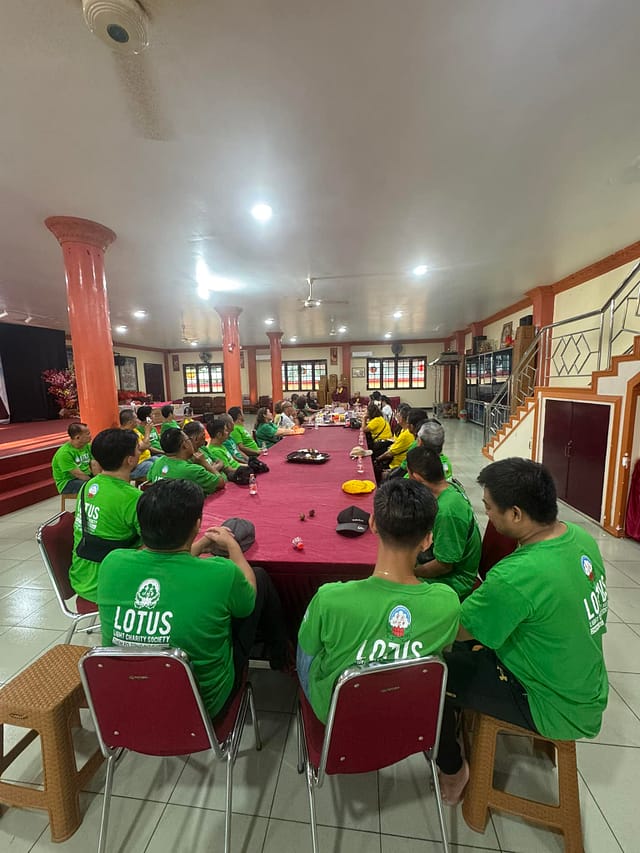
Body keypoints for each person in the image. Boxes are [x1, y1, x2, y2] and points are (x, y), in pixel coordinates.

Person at [436, 458, 609, 806]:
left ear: (516, 514)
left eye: (489, 508)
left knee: (432, 673)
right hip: (584, 685)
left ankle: (452, 768)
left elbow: (457, 630)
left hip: (549, 700)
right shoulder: (578, 537)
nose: (487, 515)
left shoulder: (518, 575)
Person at [97, 479, 290, 720]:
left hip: (127, 701)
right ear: (197, 524)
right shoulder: (221, 572)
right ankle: (280, 654)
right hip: (202, 709)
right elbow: (248, 598)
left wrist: (198, 545)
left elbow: (166, 563)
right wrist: (233, 548)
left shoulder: (112, 563)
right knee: (258, 578)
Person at [297, 479, 461, 723]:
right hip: (407, 717)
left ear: (372, 524)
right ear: (428, 540)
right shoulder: (447, 602)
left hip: (336, 717)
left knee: (308, 650)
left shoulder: (329, 598)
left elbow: (307, 652)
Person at [69, 428, 142, 604]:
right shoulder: (133, 498)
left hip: (82, 577)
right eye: (138, 448)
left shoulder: (88, 486)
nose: (140, 452)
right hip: (113, 584)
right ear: (130, 459)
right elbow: (159, 546)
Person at [407, 446, 481, 600]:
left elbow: (444, 566)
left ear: (417, 478)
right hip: (441, 564)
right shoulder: (449, 487)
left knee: (393, 585)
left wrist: (411, 572)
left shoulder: (447, 511)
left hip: (454, 580)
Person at [148, 427, 226, 494]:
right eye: (188, 439)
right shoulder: (192, 470)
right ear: (184, 445)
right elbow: (221, 482)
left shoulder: (157, 462)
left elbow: (149, 480)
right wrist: (205, 463)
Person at [203, 417, 252, 483]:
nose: (227, 432)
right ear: (219, 435)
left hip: (240, 469)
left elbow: (235, 462)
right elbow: (229, 470)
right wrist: (247, 469)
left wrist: (248, 465)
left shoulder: (221, 445)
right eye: (225, 431)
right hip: (236, 476)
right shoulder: (216, 451)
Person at [51, 422, 94, 494]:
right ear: (78, 437)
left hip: (85, 475)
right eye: (88, 434)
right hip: (68, 482)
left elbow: (95, 463)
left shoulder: (87, 446)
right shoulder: (64, 453)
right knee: (94, 487)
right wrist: (95, 482)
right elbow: (78, 474)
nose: (90, 436)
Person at [375, 403, 413, 470]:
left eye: (398, 414)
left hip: (396, 464)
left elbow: (390, 453)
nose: (396, 415)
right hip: (394, 457)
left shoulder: (406, 434)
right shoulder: (403, 429)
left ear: (401, 418)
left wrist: (377, 459)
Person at [119, 410, 154, 480]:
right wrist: (147, 432)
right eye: (136, 418)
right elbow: (143, 447)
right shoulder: (124, 435)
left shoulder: (134, 430)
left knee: (160, 460)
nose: (139, 421)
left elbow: (147, 444)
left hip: (144, 459)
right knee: (155, 467)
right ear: (130, 422)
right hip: (135, 467)